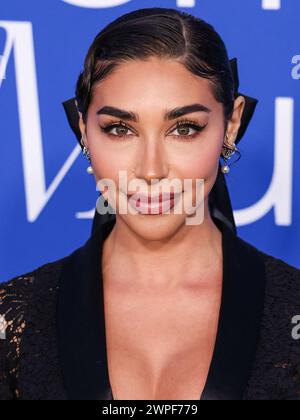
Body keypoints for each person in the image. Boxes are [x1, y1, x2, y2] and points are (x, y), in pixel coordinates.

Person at [1, 7, 300, 401]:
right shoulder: (12, 320)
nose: (151, 169)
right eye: (120, 129)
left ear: (231, 124)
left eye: (185, 128)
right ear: (83, 131)